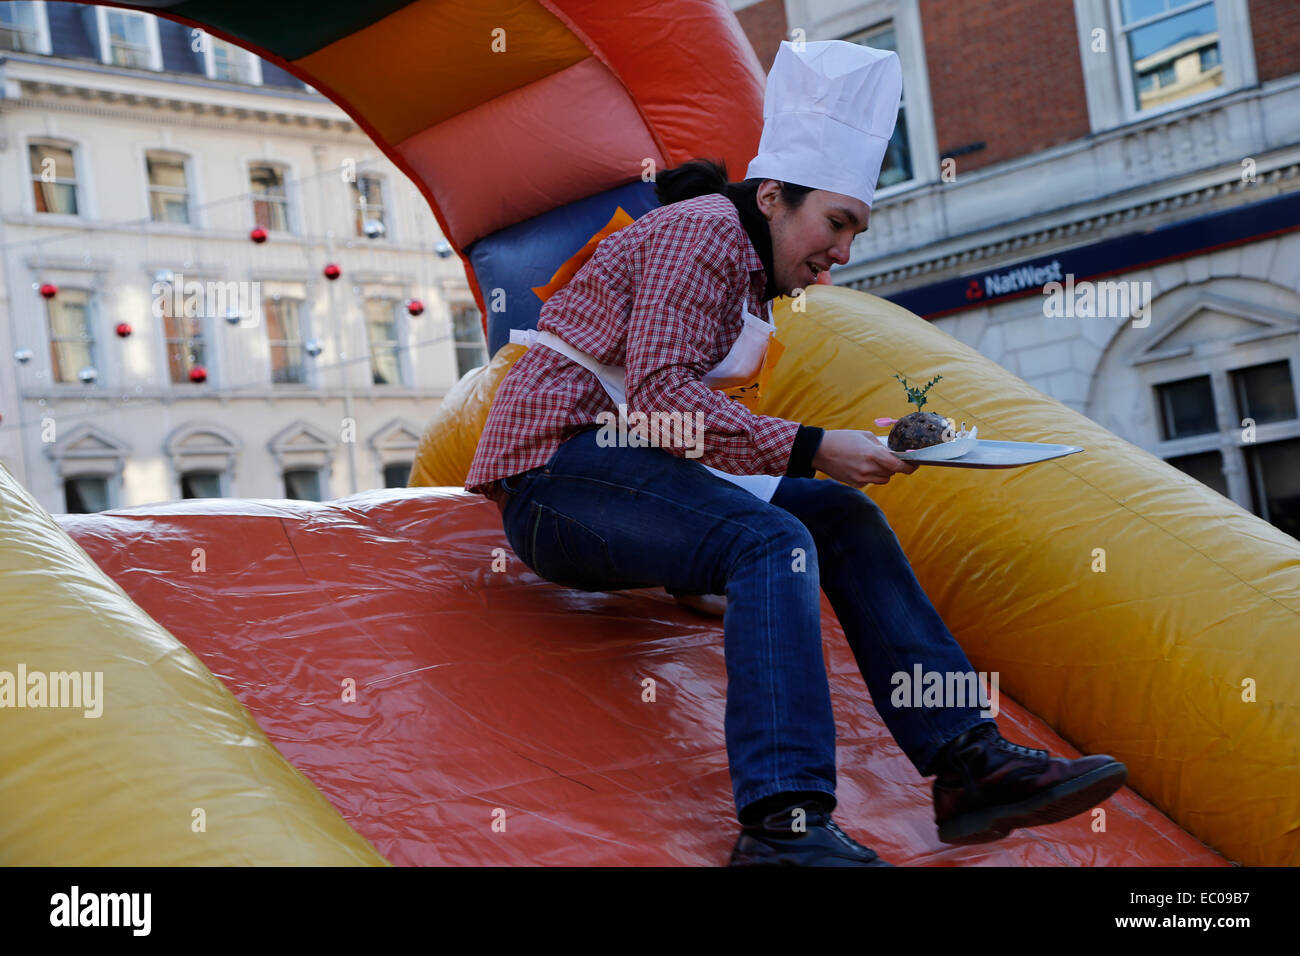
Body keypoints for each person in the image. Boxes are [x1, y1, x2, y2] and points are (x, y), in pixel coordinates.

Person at [465, 40, 1127, 866]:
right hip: (554, 481)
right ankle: (782, 828)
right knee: (774, 541)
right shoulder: (702, 235)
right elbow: (666, 404)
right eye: (837, 223)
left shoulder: (746, 270)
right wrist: (815, 447)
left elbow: (675, 429)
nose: (843, 253)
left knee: (841, 518)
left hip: (617, 477)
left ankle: (968, 763)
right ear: (773, 197)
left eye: (855, 229)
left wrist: (726, 525)